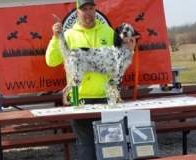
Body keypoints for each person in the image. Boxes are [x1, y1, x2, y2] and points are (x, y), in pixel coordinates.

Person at [45, 0, 136, 159]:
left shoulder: (108, 32)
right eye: (84, 9)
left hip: (106, 99)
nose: (88, 13)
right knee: (86, 147)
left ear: (95, 10)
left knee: (110, 145)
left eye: (91, 8)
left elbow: (118, 62)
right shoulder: (68, 34)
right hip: (80, 100)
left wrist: (130, 49)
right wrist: (55, 38)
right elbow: (51, 61)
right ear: (77, 13)